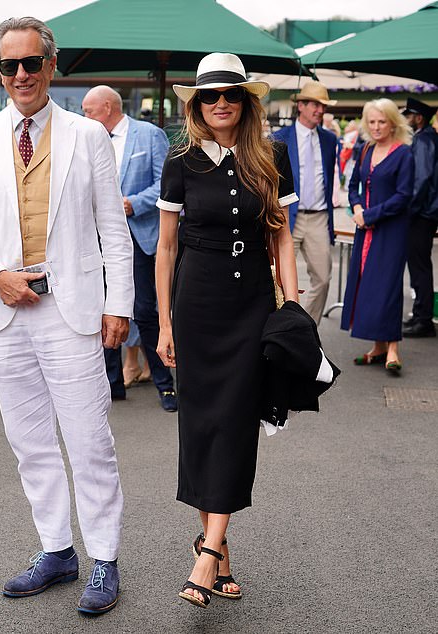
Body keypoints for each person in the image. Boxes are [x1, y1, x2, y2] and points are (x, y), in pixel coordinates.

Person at [0, 17, 133, 615]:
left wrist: (119, 304)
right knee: (29, 443)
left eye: (31, 63)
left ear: (52, 66)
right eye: (9, 66)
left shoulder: (87, 136)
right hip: (6, 312)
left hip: (70, 311)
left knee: (89, 440)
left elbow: (113, 229)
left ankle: (103, 557)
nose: (21, 75)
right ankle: (58, 551)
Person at [154, 53, 298, 608]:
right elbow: (165, 249)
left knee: (237, 421)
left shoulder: (272, 155)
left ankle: (206, 553)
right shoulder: (181, 159)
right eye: (210, 96)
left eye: (231, 95)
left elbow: (281, 236)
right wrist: (164, 323)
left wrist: (292, 304)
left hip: (252, 305)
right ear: (196, 104)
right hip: (197, 303)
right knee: (202, 423)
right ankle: (220, 549)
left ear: (246, 102)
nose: (221, 104)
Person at [82, 85, 177, 411]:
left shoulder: (148, 134)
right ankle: (111, 385)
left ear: (107, 107)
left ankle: (166, 386)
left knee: (146, 313)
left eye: (89, 110)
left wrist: (132, 204)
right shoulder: (88, 138)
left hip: (139, 237)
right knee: (101, 310)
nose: (85, 116)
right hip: (98, 239)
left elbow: (166, 184)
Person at [341, 98, 414, 373]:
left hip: (392, 230)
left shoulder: (404, 153)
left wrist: (369, 215)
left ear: (393, 122)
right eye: (371, 121)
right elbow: (353, 186)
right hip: (366, 228)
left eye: (382, 121)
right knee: (368, 283)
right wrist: (358, 207)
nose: (376, 127)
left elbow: (404, 196)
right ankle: (379, 345)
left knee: (389, 286)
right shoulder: (365, 149)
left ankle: (393, 347)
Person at [273, 80, 338, 324]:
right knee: (277, 279)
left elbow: (329, 178)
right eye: (314, 104)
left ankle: (305, 333)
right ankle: (277, 335)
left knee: (322, 279)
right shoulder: (279, 138)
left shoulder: (330, 140)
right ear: (300, 105)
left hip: (319, 217)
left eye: (323, 106)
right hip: (286, 215)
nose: (320, 110)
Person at [401, 97, 438, 338]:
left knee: (419, 266)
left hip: (422, 213)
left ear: (419, 118)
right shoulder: (428, 137)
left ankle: (423, 319)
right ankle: (420, 314)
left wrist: (410, 209)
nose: (405, 119)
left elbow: (422, 179)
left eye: (409, 115)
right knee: (420, 264)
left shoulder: (424, 140)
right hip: (426, 211)